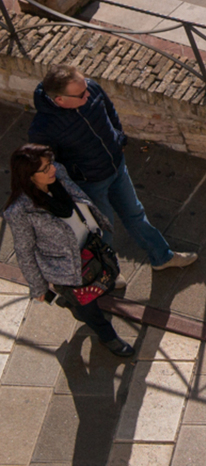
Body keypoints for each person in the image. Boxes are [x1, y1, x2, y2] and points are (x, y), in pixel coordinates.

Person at [30, 65, 196, 272]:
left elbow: (110, 110)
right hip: (90, 182)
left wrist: (119, 139)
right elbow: (50, 165)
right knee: (103, 230)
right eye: (81, 94)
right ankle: (107, 272)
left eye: (86, 87)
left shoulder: (90, 88)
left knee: (135, 214)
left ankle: (162, 257)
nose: (88, 94)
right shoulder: (42, 129)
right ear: (60, 100)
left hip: (116, 167)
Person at [5, 144, 137, 356]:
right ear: (29, 176)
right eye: (45, 168)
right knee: (89, 308)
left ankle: (69, 301)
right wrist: (38, 286)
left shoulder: (58, 175)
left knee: (106, 282)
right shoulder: (19, 211)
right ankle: (108, 337)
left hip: (91, 245)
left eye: (50, 163)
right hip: (66, 269)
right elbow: (24, 251)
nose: (53, 169)